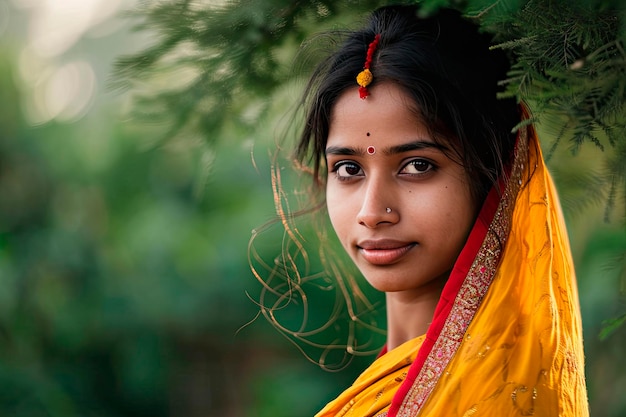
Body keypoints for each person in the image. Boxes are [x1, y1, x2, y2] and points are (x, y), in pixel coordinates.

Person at [259, 5, 589, 416]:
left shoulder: (501, 395)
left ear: (496, 175)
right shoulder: (379, 389)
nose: (372, 210)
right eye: (348, 169)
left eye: (418, 165)